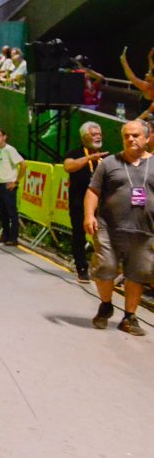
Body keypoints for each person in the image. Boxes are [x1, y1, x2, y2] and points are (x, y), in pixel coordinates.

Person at [83, 119, 153, 336]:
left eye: (135, 135)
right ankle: (106, 304)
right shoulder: (109, 163)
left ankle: (129, 317)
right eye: (126, 136)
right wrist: (88, 215)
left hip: (145, 232)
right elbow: (93, 191)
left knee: (137, 274)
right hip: (109, 228)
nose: (130, 139)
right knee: (105, 268)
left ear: (147, 138)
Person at [63, 122, 108, 282]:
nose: (97, 137)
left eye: (99, 134)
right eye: (93, 134)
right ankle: (82, 268)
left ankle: (105, 269)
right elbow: (68, 167)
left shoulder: (106, 157)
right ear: (84, 137)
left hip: (102, 205)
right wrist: (90, 158)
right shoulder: (75, 153)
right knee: (79, 236)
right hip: (79, 203)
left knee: (105, 237)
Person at [0, 127, 24, 246]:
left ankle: (13, 237)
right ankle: (5, 235)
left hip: (8, 185)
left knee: (11, 212)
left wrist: (16, 182)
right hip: (0, 184)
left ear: (4, 137)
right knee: (3, 212)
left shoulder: (10, 150)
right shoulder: (0, 151)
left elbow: (23, 164)